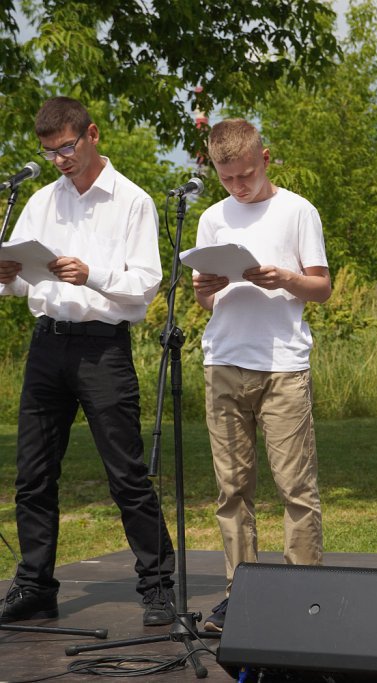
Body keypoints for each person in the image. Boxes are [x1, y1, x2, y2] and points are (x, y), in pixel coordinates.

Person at [0, 97, 176, 626]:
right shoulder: (39, 202)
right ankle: (34, 586)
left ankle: (159, 586)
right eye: (50, 152)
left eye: (67, 148)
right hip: (48, 344)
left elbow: (145, 286)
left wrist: (91, 274)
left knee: (125, 473)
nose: (60, 160)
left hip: (103, 347)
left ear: (92, 134)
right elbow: (20, 283)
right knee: (33, 475)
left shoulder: (132, 201)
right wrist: (8, 276)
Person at [191, 119, 331, 632]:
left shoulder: (297, 210)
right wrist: (205, 286)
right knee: (232, 489)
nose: (238, 186)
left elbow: (321, 287)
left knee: (296, 488)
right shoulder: (212, 218)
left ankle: (304, 593)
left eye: (246, 175)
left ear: (264, 158)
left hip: (282, 367)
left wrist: (285, 279)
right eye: (227, 179)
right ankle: (241, 591)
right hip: (224, 361)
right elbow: (206, 299)